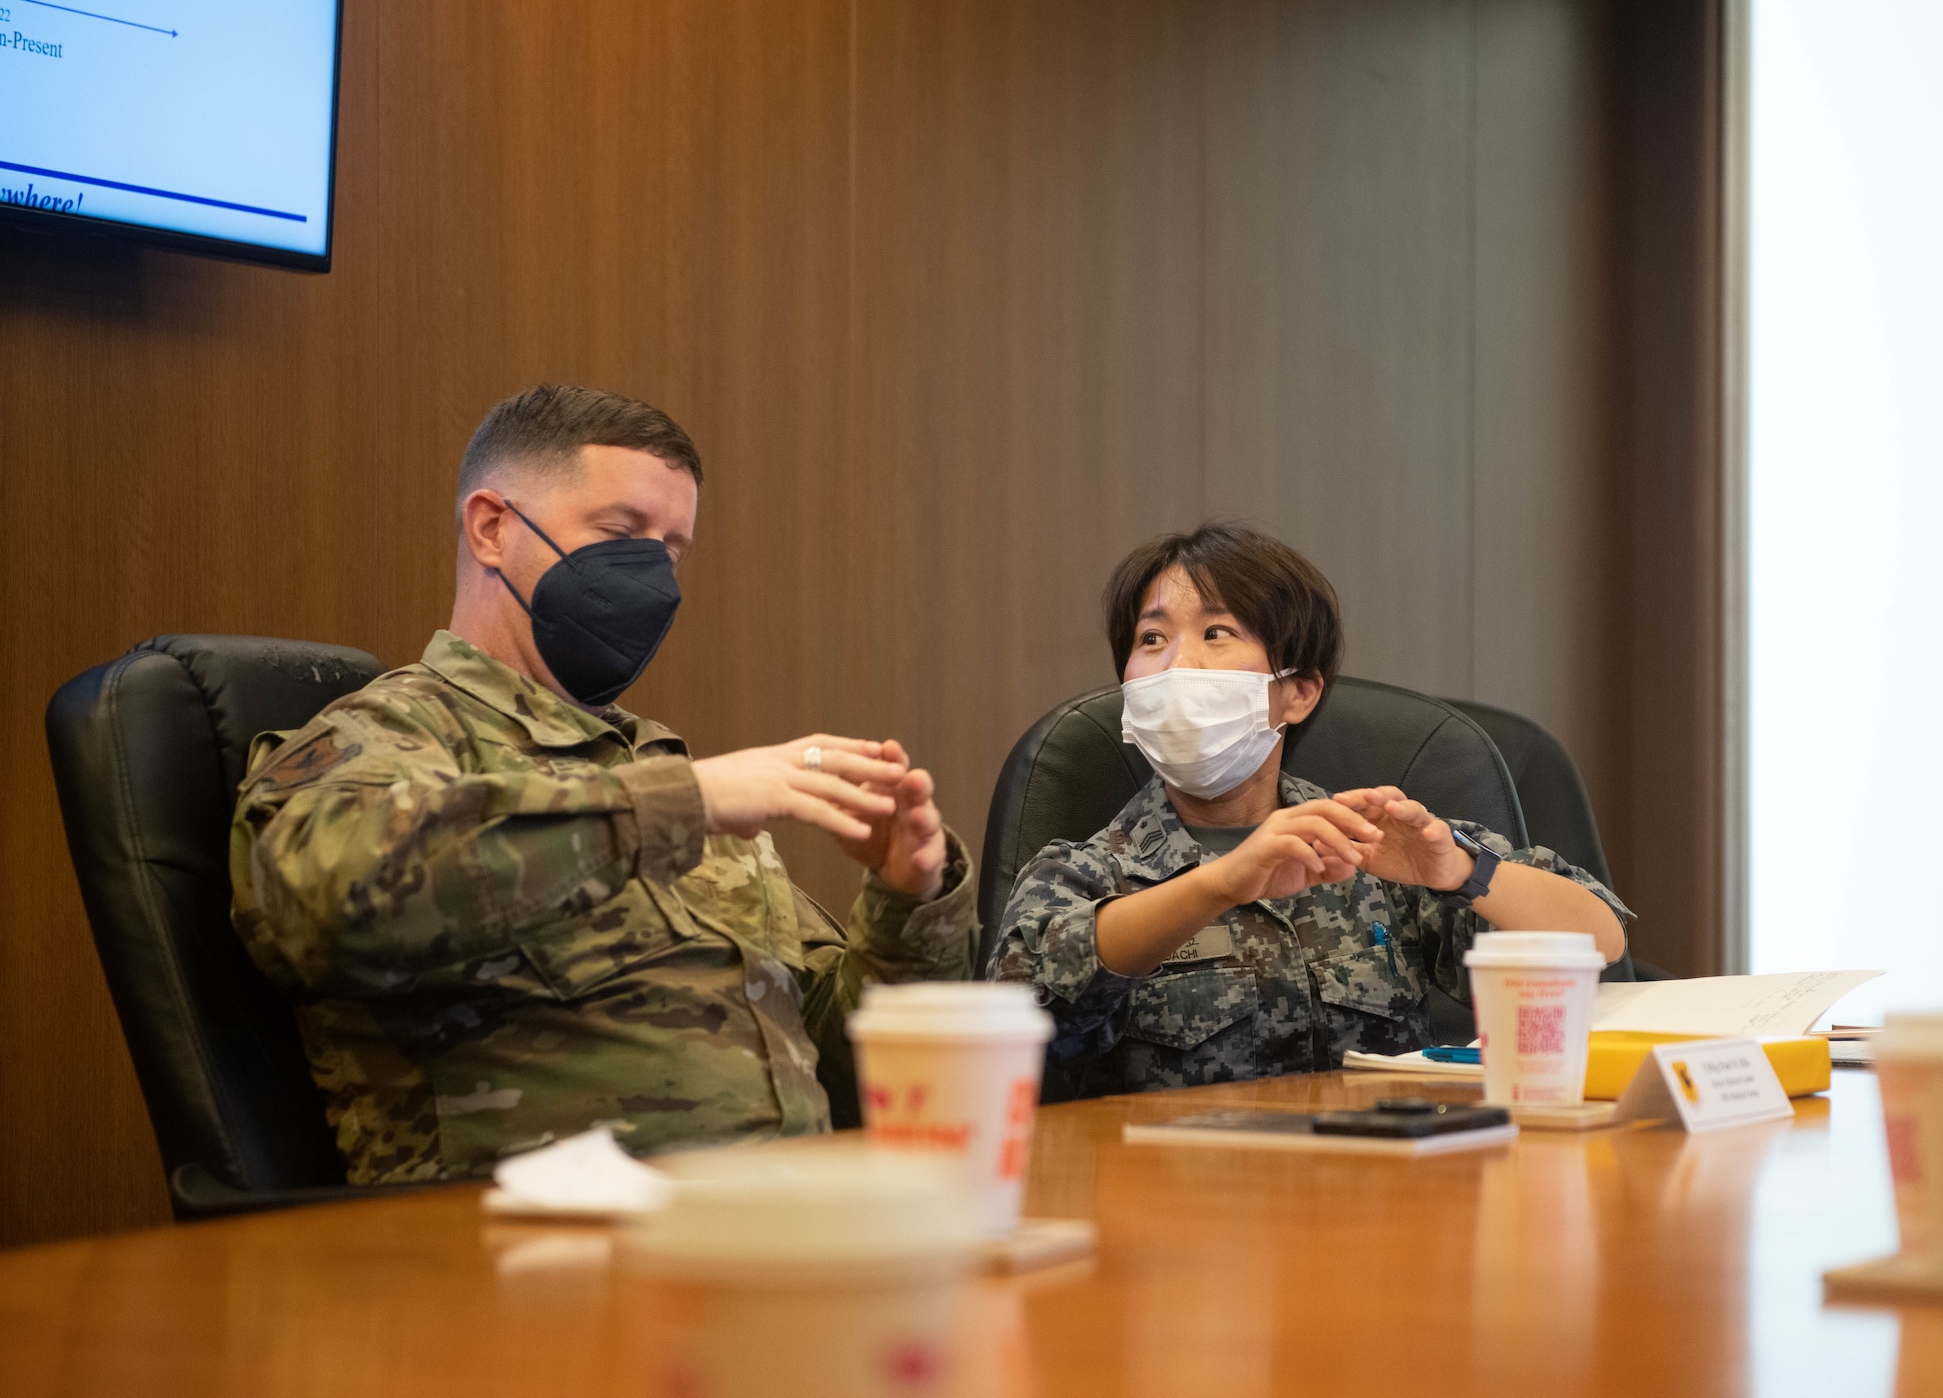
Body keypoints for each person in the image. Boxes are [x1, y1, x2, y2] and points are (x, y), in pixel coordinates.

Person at [230, 385, 977, 1183]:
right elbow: (325, 904)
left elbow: (845, 1076)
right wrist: (683, 805)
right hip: (528, 1253)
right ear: (491, 528)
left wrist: (904, 906)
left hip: (784, 1220)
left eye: (672, 550)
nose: (650, 575)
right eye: (621, 533)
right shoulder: (394, 736)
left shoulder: (666, 771)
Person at [988, 523, 1630, 1098]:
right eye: (1151, 638)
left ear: (1297, 692)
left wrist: (1462, 871)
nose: (1178, 664)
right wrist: (1219, 882)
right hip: (1180, 1207)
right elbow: (1019, 1014)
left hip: (1389, 1195)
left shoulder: (1368, 843)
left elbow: (1601, 940)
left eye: (1217, 632)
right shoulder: (1082, 872)